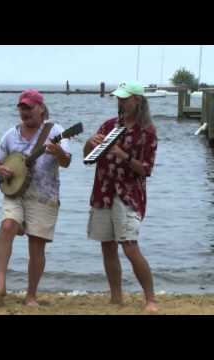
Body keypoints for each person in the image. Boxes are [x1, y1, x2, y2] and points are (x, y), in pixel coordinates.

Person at [0, 89, 71, 307]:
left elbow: (66, 161)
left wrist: (57, 151)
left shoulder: (56, 131)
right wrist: (1, 169)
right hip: (15, 193)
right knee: (7, 226)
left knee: (36, 244)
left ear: (41, 108)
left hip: (44, 195)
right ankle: (0, 286)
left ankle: (31, 296)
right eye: (21, 108)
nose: (24, 112)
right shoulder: (11, 134)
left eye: (29, 108)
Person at [83, 81, 159, 312]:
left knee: (129, 246)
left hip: (129, 195)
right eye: (119, 98)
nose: (121, 102)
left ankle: (151, 299)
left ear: (138, 100)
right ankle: (116, 297)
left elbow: (146, 169)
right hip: (103, 192)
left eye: (125, 98)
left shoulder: (147, 131)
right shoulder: (109, 125)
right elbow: (88, 159)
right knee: (107, 246)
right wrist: (89, 143)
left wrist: (121, 154)